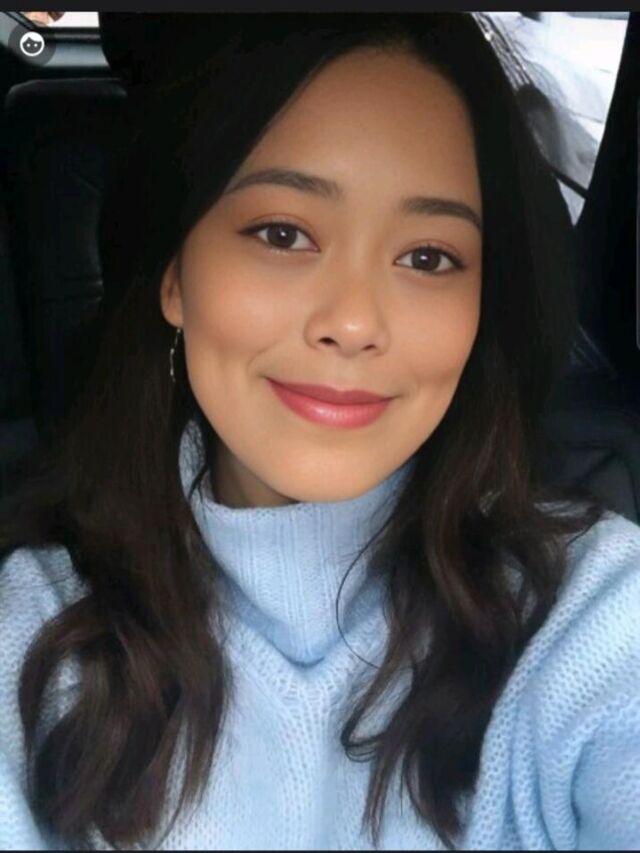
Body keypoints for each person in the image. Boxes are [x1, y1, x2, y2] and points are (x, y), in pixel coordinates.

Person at [0, 11, 638, 851]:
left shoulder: (594, 615)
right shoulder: (31, 635)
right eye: (283, 234)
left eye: (428, 257)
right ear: (175, 276)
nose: (354, 321)